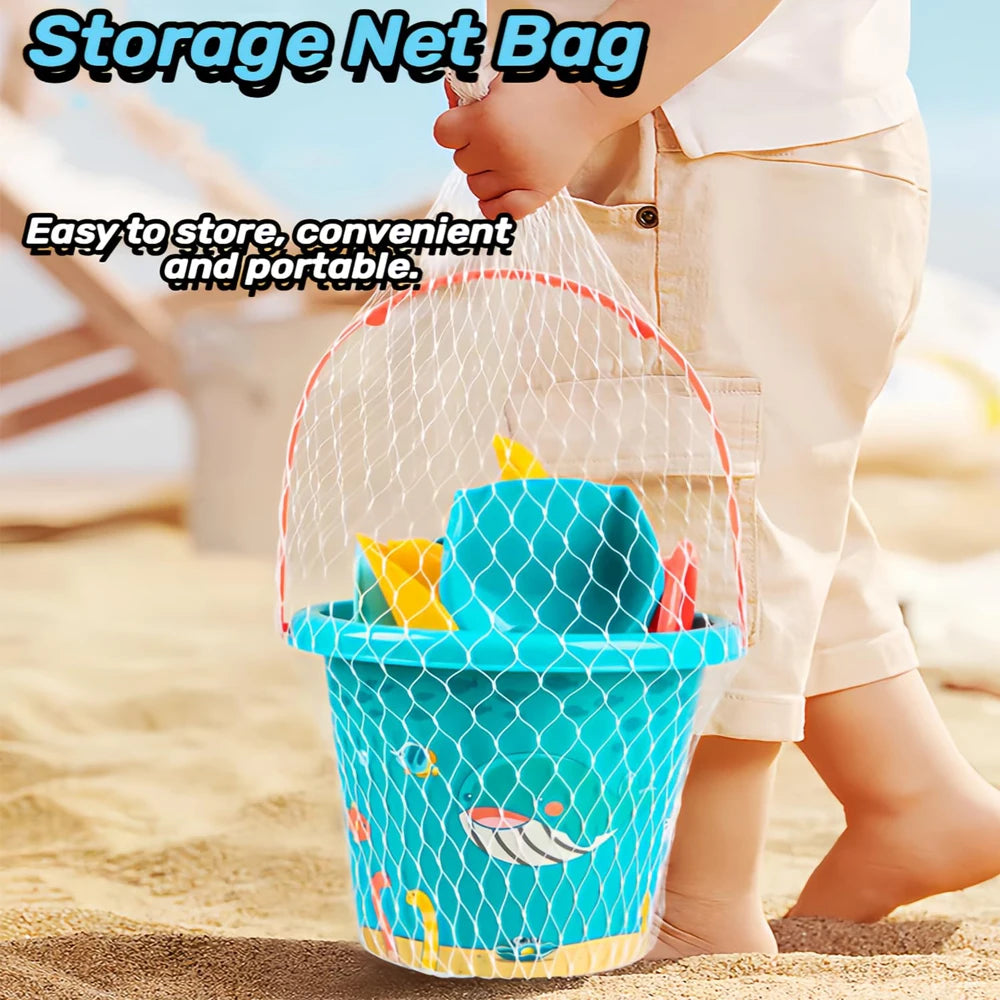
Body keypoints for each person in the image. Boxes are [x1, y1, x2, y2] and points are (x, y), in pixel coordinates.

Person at [434, 0, 1000, 957]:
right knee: (762, 493)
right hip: (751, 153)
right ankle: (910, 793)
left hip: (709, 156)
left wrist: (571, 102)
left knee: (687, 515)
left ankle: (700, 904)